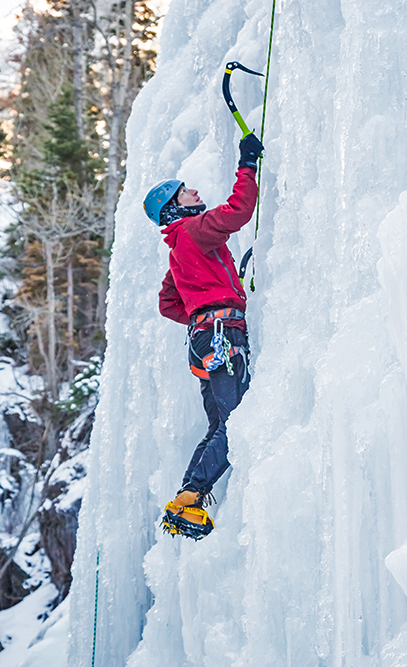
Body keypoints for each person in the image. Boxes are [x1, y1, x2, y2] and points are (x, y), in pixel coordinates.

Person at [143, 133, 264, 539]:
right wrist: (247, 164)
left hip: (205, 339)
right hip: (222, 335)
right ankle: (189, 498)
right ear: (176, 207)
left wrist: (202, 309)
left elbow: (167, 303)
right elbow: (238, 211)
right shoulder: (194, 230)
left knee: (220, 425)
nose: (194, 191)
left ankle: (186, 500)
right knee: (237, 421)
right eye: (186, 191)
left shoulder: (178, 249)